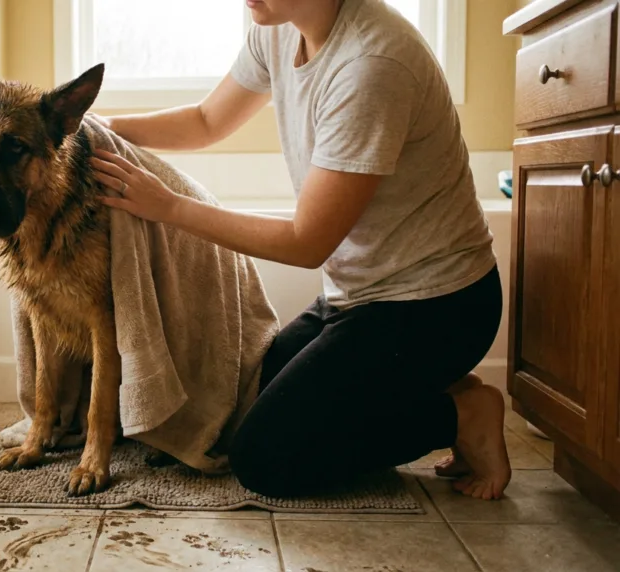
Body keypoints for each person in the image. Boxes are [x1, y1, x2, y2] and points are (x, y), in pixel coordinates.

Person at [89, 0, 510, 500]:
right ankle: (436, 389)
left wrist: (169, 207)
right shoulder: (280, 28)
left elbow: (307, 243)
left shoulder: (373, 65)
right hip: (355, 298)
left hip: (437, 307)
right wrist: (101, 128)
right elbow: (205, 120)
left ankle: (462, 414)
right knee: (241, 405)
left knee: (266, 459)